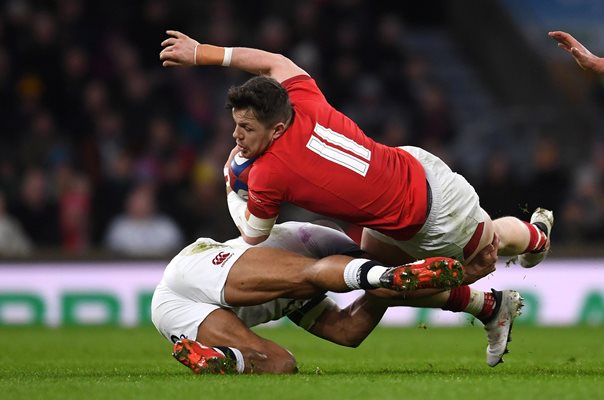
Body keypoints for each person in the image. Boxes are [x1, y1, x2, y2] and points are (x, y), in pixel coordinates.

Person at [159, 30, 554, 273]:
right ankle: (489, 300)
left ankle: (534, 238)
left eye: (246, 128)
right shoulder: (301, 98)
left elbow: (251, 234)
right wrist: (203, 53)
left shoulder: (268, 174)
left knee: (487, 250)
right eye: (236, 125)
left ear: (276, 128)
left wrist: (231, 185)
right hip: (409, 169)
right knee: (378, 273)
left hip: (434, 214)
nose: (236, 136)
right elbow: (274, 62)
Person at [151, 220, 521, 374]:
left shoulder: (320, 247)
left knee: (281, 364)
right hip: (196, 273)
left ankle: (223, 359)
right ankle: (482, 299)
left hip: (175, 311)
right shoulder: (320, 251)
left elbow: (348, 330)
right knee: (368, 277)